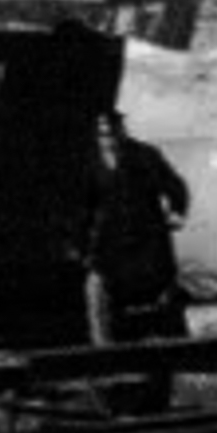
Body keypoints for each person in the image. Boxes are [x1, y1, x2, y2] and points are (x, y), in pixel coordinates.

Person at [80, 109, 191, 349]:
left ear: (122, 129)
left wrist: (177, 212)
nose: (107, 136)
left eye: (112, 130)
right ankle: (105, 352)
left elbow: (175, 187)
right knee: (97, 290)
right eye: (102, 133)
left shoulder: (145, 156)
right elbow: (83, 206)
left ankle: (177, 350)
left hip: (147, 239)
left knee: (163, 297)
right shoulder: (90, 162)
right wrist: (80, 242)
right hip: (109, 243)